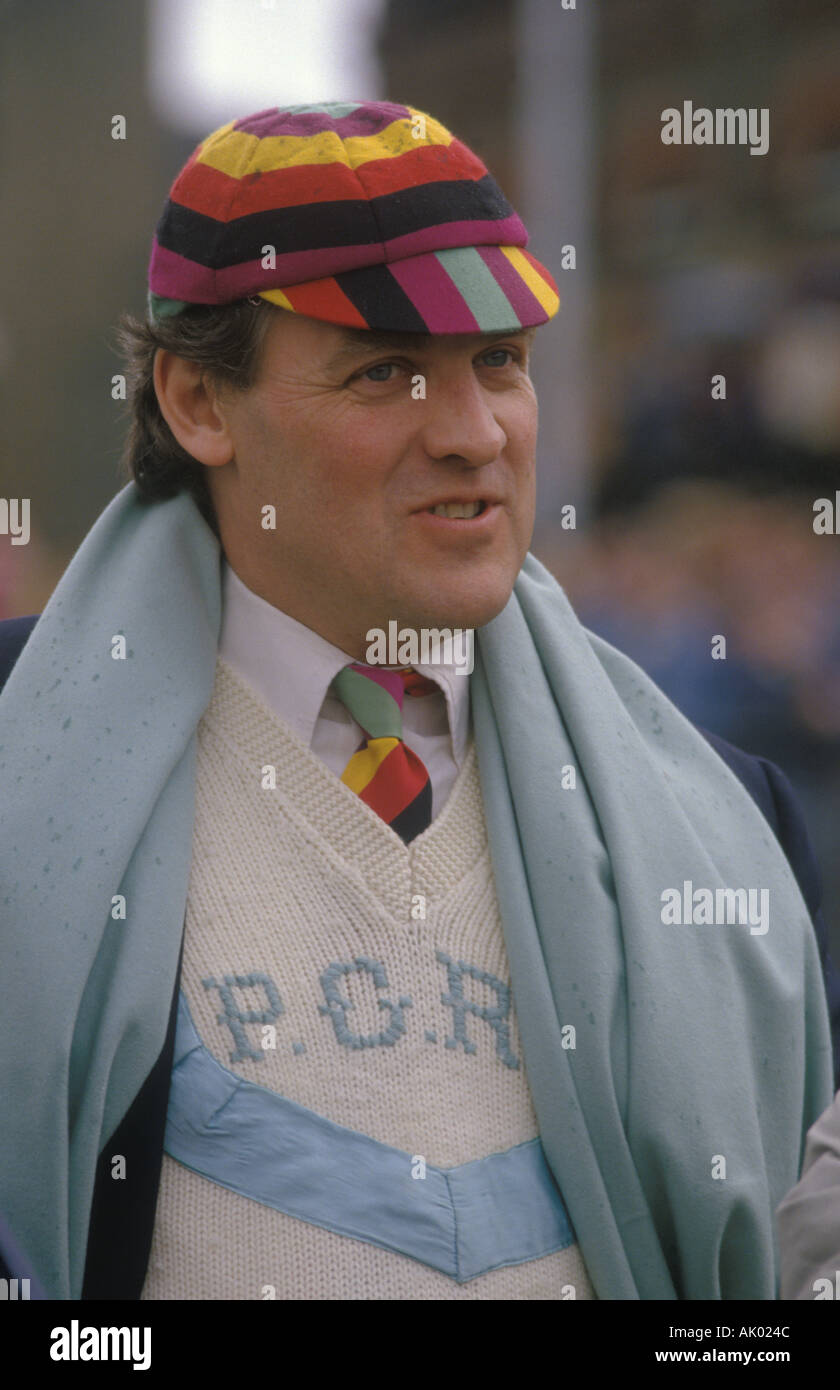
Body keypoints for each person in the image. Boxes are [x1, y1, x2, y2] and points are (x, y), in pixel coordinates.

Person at [0, 100, 837, 1303]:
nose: (473, 432)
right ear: (197, 402)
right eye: (386, 371)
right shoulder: (19, 744)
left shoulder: (722, 811)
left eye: (499, 362)